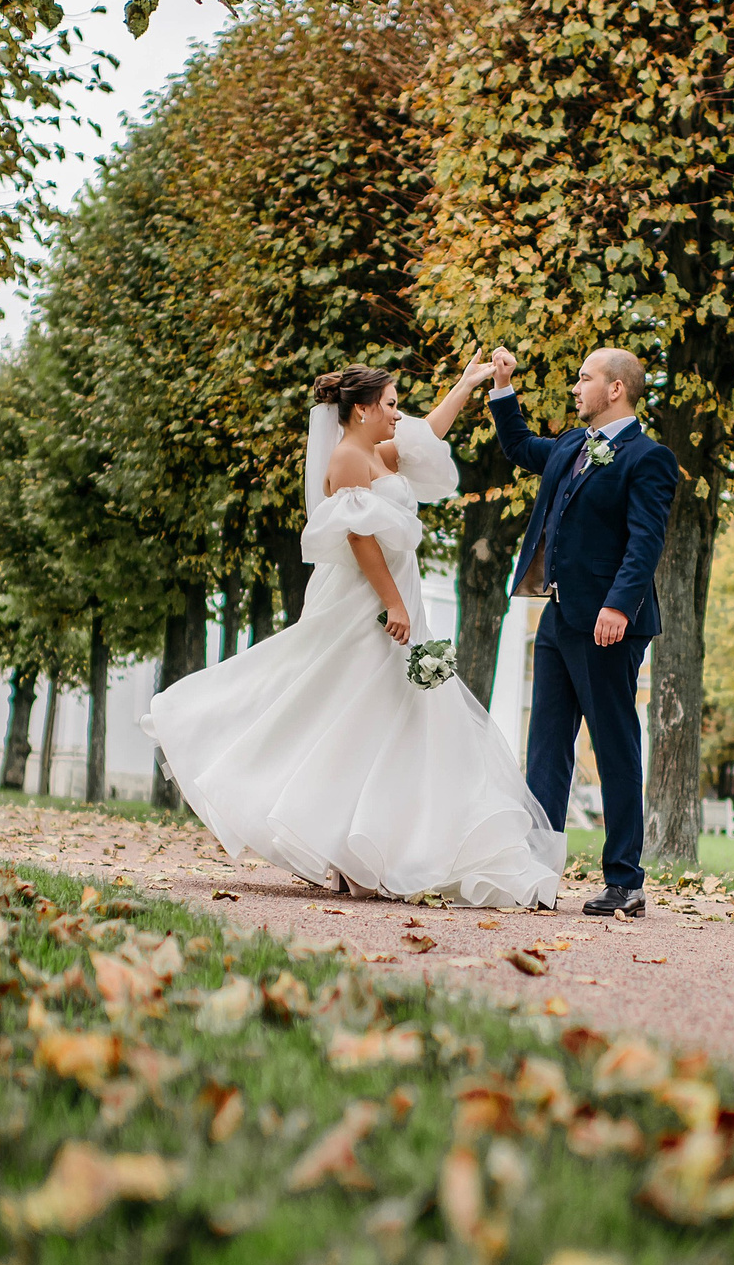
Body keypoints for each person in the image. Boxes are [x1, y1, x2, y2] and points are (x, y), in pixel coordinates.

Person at [140, 358, 563, 907]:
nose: (397, 413)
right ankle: (344, 847)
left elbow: (427, 432)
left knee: (379, 719)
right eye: (389, 404)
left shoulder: (375, 452)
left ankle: (360, 849)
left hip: (395, 593)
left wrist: (467, 383)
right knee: (351, 712)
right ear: (362, 409)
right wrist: (393, 604)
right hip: (369, 603)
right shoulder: (346, 458)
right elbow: (360, 537)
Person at [486, 345, 678, 917]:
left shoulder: (649, 458)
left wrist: (619, 608)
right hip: (558, 617)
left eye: (583, 378)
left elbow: (645, 541)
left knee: (615, 746)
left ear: (615, 388)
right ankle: (535, 873)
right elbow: (520, 447)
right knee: (545, 746)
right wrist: (502, 389)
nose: (575, 386)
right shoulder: (571, 445)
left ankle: (625, 881)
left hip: (608, 624)